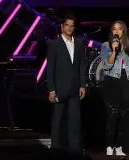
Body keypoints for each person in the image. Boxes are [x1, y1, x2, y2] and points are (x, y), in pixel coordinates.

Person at [46, 13, 87, 152]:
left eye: (72, 26)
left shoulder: (79, 43)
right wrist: (51, 89)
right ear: (62, 27)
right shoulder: (54, 44)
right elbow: (50, 68)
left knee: (75, 120)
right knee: (57, 119)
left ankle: (74, 149)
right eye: (67, 25)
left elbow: (82, 65)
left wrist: (83, 84)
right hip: (59, 89)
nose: (69, 28)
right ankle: (56, 148)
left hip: (75, 89)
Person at [98, 21, 129, 156]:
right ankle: (110, 146)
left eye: (120, 29)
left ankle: (119, 146)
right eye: (114, 29)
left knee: (123, 115)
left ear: (124, 31)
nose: (117, 31)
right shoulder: (106, 45)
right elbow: (106, 66)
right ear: (112, 32)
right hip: (112, 81)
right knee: (112, 115)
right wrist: (114, 51)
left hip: (127, 81)